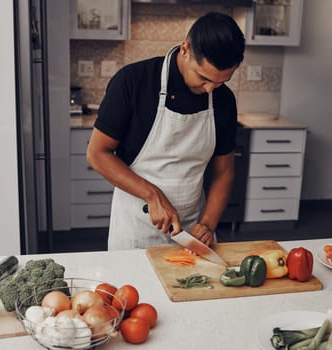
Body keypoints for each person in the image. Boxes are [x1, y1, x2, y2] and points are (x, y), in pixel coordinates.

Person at [86, 12, 245, 250]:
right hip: (136, 228)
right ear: (185, 49)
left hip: (192, 228)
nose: (211, 89)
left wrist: (208, 223)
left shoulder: (224, 100)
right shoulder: (133, 82)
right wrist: (152, 195)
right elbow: (98, 154)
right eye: (203, 78)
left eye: (222, 81)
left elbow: (224, 172)